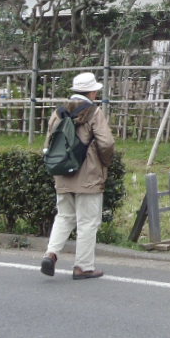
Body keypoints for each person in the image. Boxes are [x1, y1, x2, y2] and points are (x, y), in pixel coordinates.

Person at [39, 72, 116, 280]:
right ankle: (82, 266)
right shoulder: (93, 112)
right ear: (92, 91)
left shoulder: (59, 112)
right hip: (88, 175)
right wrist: (105, 163)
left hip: (62, 172)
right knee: (88, 222)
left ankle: (51, 253)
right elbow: (106, 143)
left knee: (64, 216)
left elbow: (49, 143)